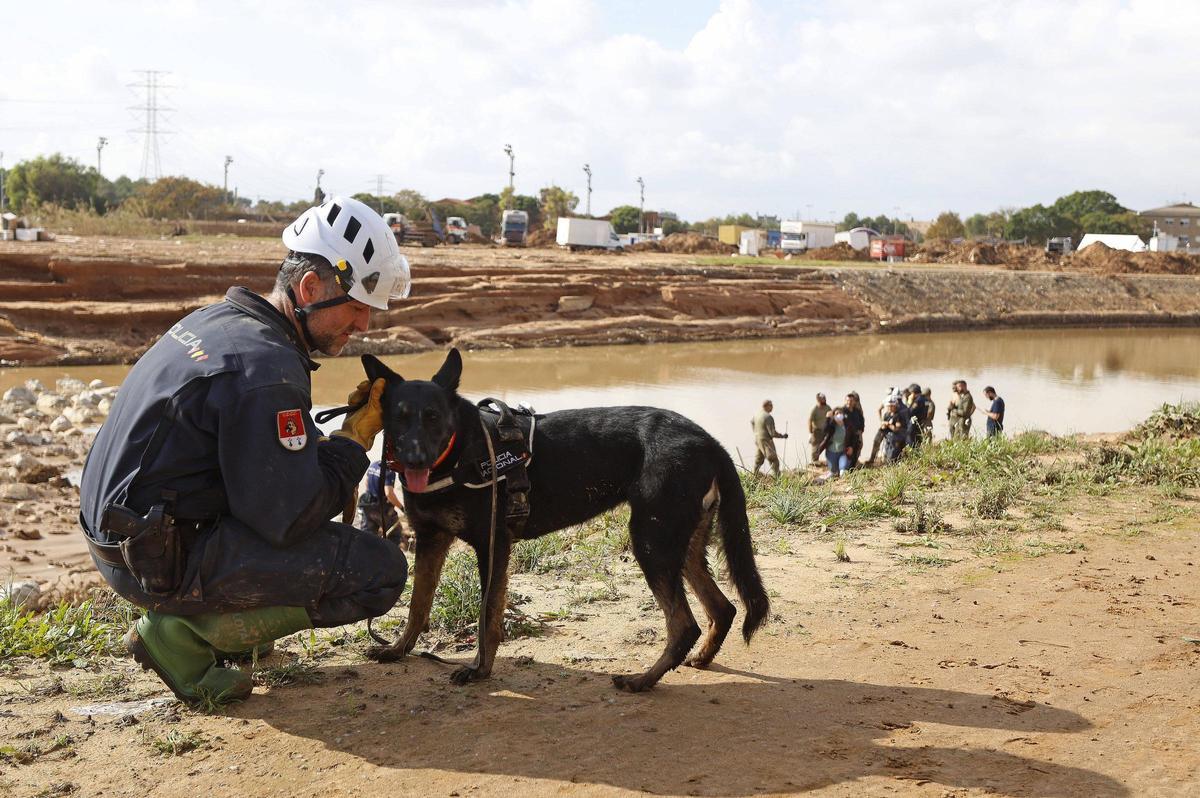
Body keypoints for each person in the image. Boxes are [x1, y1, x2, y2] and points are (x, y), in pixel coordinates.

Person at [78, 196, 412, 707]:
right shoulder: (266, 369)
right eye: (357, 307)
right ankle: (182, 637)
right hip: (153, 563)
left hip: (121, 540)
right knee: (380, 572)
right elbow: (290, 518)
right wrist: (352, 445)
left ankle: (238, 632)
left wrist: (327, 442)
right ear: (309, 289)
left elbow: (258, 462)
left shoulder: (218, 322)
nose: (364, 325)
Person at [356, 460, 405, 542]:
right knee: (395, 533)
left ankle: (366, 552)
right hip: (381, 507)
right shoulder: (389, 471)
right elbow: (389, 493)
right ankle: (389, 553)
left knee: (367, 536)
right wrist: (402, 508)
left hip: (367, 504)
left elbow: (367, 483)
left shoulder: (374, 465)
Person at [751, 399, 788, 476]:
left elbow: (752, 422)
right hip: (766, 441)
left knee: (758, 460)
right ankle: (777, 480)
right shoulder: (768, 417)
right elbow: (772, 433)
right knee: (774, 460)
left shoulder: (757, 415)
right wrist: (782, 436)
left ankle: (753, 476)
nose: (772, 408)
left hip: (758, 440)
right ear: (767, 406)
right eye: (771, 406)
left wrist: (756, 433)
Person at [818, 408, 851, 478]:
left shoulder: (847, 425)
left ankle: (844, 480)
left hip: (843, 452)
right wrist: (827, 418)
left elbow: (853, 437)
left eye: (840, 413)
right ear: (834, 416)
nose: (839, 415)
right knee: (833, 472)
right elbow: (824, 430)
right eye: (837, 413)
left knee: (843, 469)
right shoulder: (831, 425)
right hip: (831, 452)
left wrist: (851, 447)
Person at [881, 397, 909, 463]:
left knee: (893, 458)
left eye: (891, 406)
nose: (890, 408)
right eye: (888, 406)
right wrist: (884, 425)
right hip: (888, 438)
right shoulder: (886, 415)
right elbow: (882, 427)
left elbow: (896, 429)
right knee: (887, 456)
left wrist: (888, 424)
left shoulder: (898, 415)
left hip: (896, 440)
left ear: (895, 406)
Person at [843, 392, 865, 469]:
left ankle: (853, 465)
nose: (849, 402)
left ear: (855, 402)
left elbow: (862, 420)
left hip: (856, 433)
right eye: (848, 400)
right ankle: (844, 467)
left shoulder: (857, 411)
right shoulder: (842, 411)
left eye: (851, 401)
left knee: (858, 447)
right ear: (845, 401)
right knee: (846, 450)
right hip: (846, 435)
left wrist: (861, 429)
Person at [904, 383, 929, 451]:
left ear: (913, 392)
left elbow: (909, 413)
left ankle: (915, 456)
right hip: (921, 423)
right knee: (918, 442)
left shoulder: (917, 401)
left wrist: (909, 402)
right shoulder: (925, 399)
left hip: (913, 425)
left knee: (911, 443)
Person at [808, 393, 830, 465]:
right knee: (815, 447)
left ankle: (830, 461)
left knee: (828, 445)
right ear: (818, 400)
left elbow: (832, 416)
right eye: (822, 399)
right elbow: (810, 420)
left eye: (824, 398)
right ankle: (814, 462)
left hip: (826, 431)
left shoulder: (827, 407)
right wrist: (810, 432)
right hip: (817, 431)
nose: (824, 400)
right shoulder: (815, 409)